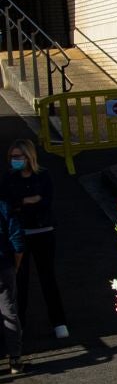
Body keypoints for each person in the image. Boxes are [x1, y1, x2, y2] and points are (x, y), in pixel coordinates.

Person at [5, 140, 66, 340]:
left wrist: (22, 203)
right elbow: (9, 205)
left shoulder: (43, 175)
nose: (15, 161)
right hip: (20, 234)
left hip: (43, 231)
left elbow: (45, 202)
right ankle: (20, 324)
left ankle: (59, 321)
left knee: (47, 278)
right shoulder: (9, 178)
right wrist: (28, 200)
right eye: (12, 157)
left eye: (18, 157)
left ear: (28, 157)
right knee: (19, 281)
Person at [0, 194, 23, 374]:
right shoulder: (4, 206)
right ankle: (15, 358)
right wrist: (15, 265)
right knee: (9, 309)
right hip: (4, 265)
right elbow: (16, 238)